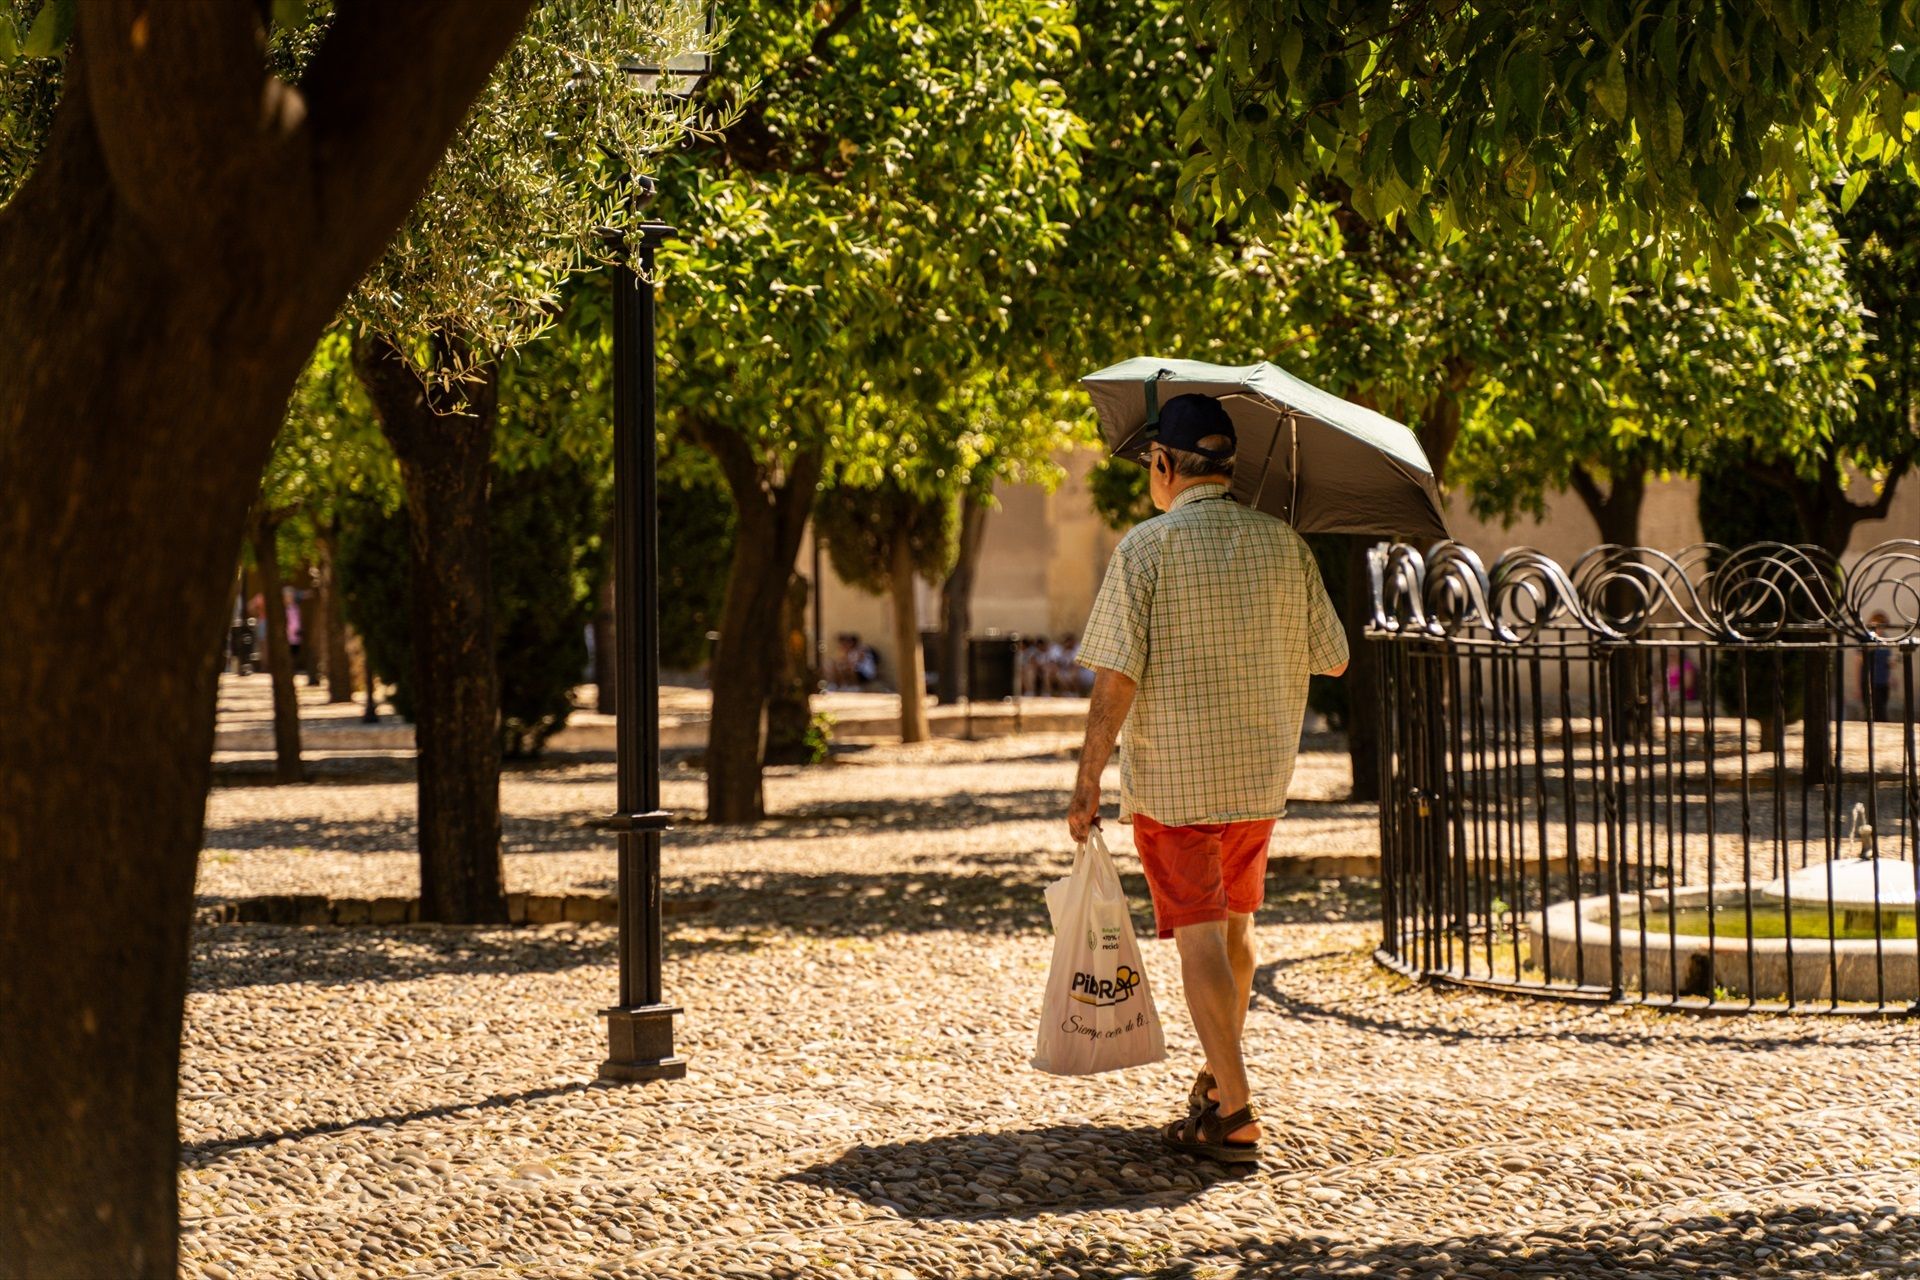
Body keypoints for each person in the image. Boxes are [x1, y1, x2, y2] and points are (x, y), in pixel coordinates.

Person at [1066, 393, 1348, 1166]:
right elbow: (1335, 657)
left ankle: (1235, 1109)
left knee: (1198, 940)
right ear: (1228, 467)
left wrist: (1088, 778)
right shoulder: (1285, 544)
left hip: (1175, 783)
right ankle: (1221, 1086)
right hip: (1259, 777)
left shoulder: (1146, 550)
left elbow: (1116, 676)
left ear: (1163, 465)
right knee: (1236, 934)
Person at [1862, 613, 1894, 722]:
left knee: (1881, 709)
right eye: (1879, 625)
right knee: (1878, 712)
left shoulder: (1885, 638)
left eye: (1883, 625)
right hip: (1870, 681)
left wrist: (1891, 677)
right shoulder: (1867, 638)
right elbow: (1858, 662)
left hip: (1883, 681)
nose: (1881, 628)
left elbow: (1888, 661)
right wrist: (1858, 685)